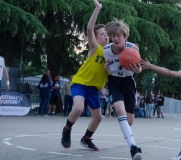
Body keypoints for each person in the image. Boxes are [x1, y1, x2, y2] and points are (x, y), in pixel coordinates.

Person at [61, 0, 109, 151]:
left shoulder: (111, 54)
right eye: (102, 34)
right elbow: (89, 28)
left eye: (107, 34)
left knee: (98, 117)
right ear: (96, 37)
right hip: (80, 83)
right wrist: (97, 9)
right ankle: (67, 129)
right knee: (78, 109)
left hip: (94, 89)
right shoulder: (96, 48)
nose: (105, 36)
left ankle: (86, 138)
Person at [104, 18, 142, 159]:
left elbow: (139, 69)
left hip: (129, 82)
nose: (116, 38)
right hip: (114, 82)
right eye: (113, 36)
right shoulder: (106, 50)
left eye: (119, 35)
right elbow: (106, 70)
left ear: (125, 36)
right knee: (120, 110)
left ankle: (125, 126)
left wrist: (137, 70)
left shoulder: (133, 49)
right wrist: (106, 69)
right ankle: (133, 147)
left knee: (130, 121)